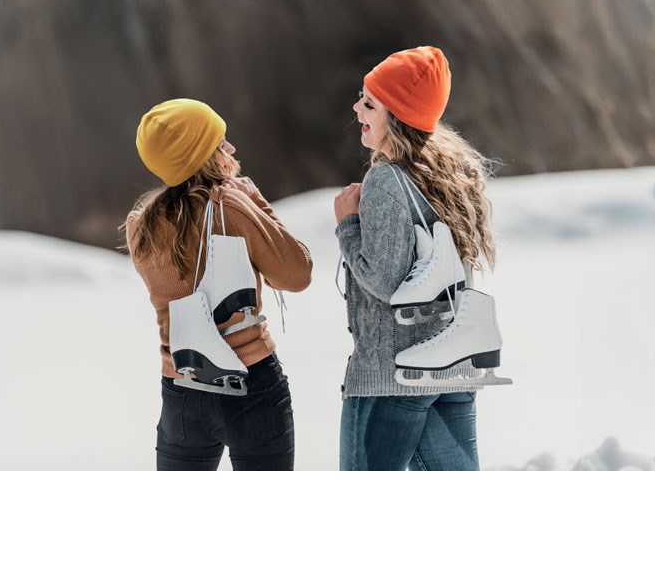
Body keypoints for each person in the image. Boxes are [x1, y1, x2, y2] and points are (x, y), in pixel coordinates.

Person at [124, 98, 312, 471]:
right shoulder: (231, 207)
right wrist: (257, 202)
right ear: (203, 155)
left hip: (181, 389)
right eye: (221, 142)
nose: (232, 149)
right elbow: (296, 274)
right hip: (251, 384)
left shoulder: (139, 226)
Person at [334, 46, 497, 471]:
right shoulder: (454, 173)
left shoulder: (386, 179)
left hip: (391, 375)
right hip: (451, 368)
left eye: (370, 104)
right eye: (361, 97)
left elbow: (384, 282)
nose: (357, 108)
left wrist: (347, 224)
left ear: (399, 117)